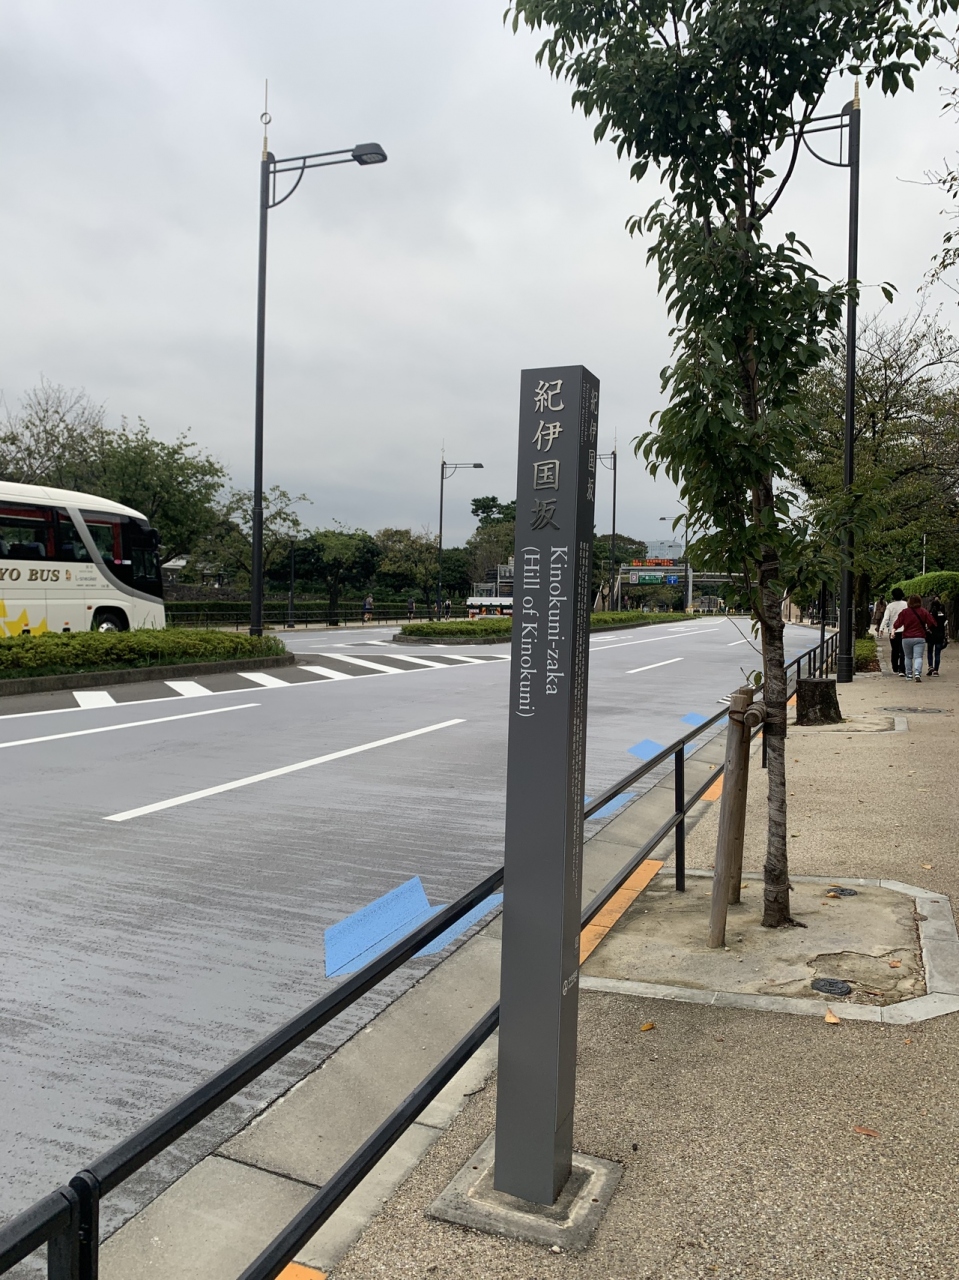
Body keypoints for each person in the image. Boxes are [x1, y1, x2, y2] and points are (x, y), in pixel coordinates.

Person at [893, 594, 937, 683]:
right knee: (918, 657)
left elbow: (897, 623)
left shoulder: (904, 612)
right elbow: (932, 623)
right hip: (920, 637)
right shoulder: (923, 611)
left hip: (906, 638)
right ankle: (917, 673)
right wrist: (928, 628)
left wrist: (894, 630)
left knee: (908, 657)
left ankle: (909, 674)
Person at [880, 588, 908, 676]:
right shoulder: (906, 604)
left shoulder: (890, 606)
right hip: (904, 630)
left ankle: (895, 667)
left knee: (895, 649)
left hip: (893, 631)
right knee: (903, 650)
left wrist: (881, 628)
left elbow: (886, 618)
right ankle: (902, 669)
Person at [926, 593, 948, 676]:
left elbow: (926, 626)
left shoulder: (929, 615)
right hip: (940, 636)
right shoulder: (943, 616)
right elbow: (946, 627)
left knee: (930, 652)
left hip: (930, 635)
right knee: (937, 653)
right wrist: (946, 637)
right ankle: (936, 670)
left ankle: (930, 666)